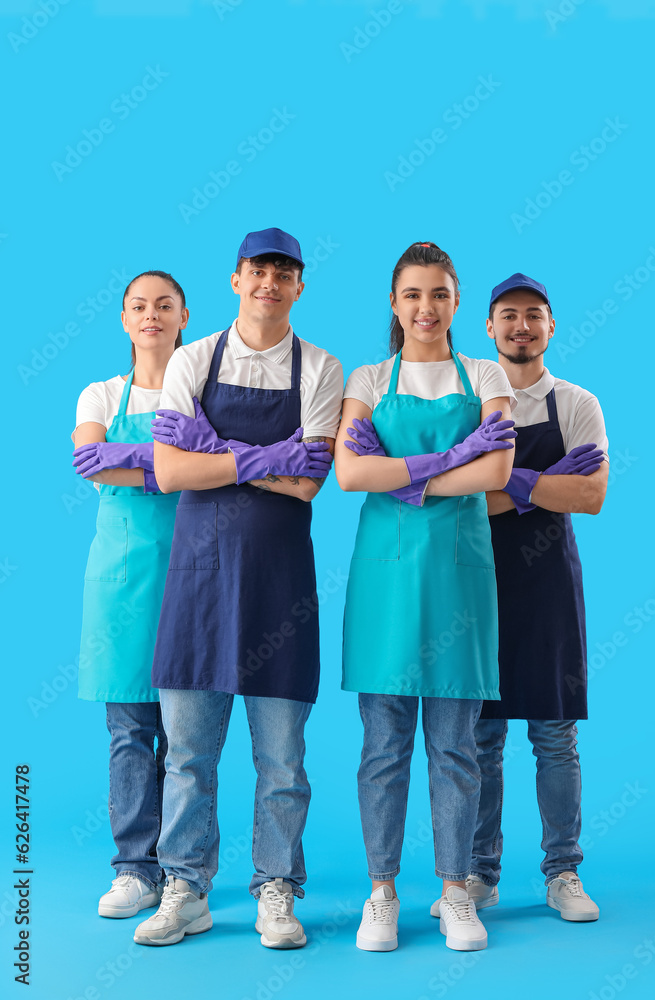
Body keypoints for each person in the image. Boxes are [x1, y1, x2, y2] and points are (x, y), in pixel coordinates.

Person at [132, 228, 343, 949]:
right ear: (235, 278)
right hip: (197, 580)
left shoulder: (320, 368)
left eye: (283, 273)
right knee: (188, 756)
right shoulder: (193, 357)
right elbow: (168, 472)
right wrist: (265, 457)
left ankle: (275, 890)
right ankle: (184, 887)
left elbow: (308, 483)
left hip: (280, 582)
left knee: (281, 761)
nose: (268, 284)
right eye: (258, 270)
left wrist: (214, 452)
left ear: (299, 286)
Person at [335, 241, 516, 953]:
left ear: (456, 301)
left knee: (456, 747)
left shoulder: (483, 371)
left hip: (458, 576)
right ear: (393, 302)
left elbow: (496, 468)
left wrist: (408, 477)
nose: (424, 307)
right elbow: (349, 473)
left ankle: (453, 892)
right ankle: (381, 893)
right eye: (411, 293)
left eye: (438, 293)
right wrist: (449, 461)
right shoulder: (370, 376)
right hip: (384, 578)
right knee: (383, 746)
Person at [463, 273, 608, 922]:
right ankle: (478, 874)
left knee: (554, 736)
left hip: (549, 587)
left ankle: (562, 873)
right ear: (488, 329)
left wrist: (503, 481)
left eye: (533, 315)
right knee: (479, 736)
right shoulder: (468, 403)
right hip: (474, 585)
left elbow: (590, 496)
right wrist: (539, 481)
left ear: (551, 327)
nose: (520, 325)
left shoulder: (578, 403)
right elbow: (460, 498)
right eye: (508, 316)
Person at [72, 270, 188, 918]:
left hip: (193, 575)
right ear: (124, 319)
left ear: (183, 316)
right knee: (128, 731)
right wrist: (170, 462)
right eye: (139, 306)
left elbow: (212, 466)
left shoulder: (199, 393)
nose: (150, 315)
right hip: (119, 583)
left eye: (163, 305)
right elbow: (89, 459)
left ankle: (180, 872)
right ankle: (133, 869)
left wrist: (131, 459)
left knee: (185, 735)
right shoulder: (101, 392)